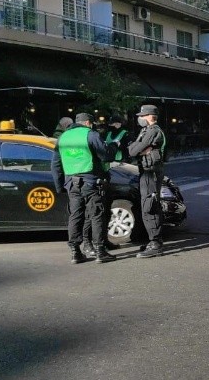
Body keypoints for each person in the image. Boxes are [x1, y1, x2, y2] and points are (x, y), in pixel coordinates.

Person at [52, 113, 120, 264]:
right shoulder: (90, 134)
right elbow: (107, 156)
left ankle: (75, 252)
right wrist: (115, 145)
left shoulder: (63, 138)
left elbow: (55, 165)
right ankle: (100, 251)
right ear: (88, 123)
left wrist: (60, 186)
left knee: (75, 216)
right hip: (90, 181)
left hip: (71, 183)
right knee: (96, 215)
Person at [128, 105, 166, 259]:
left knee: (149, 206)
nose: (140, 118)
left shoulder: (153, 131)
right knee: (148, 205)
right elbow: (132, 149)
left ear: (150, 116)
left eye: (143, 116)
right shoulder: (146, 131)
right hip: (147, 172)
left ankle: (155, 243)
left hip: (151, 173)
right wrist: (139, 149)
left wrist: (139, 149)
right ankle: (154, 240)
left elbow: (133, 150)